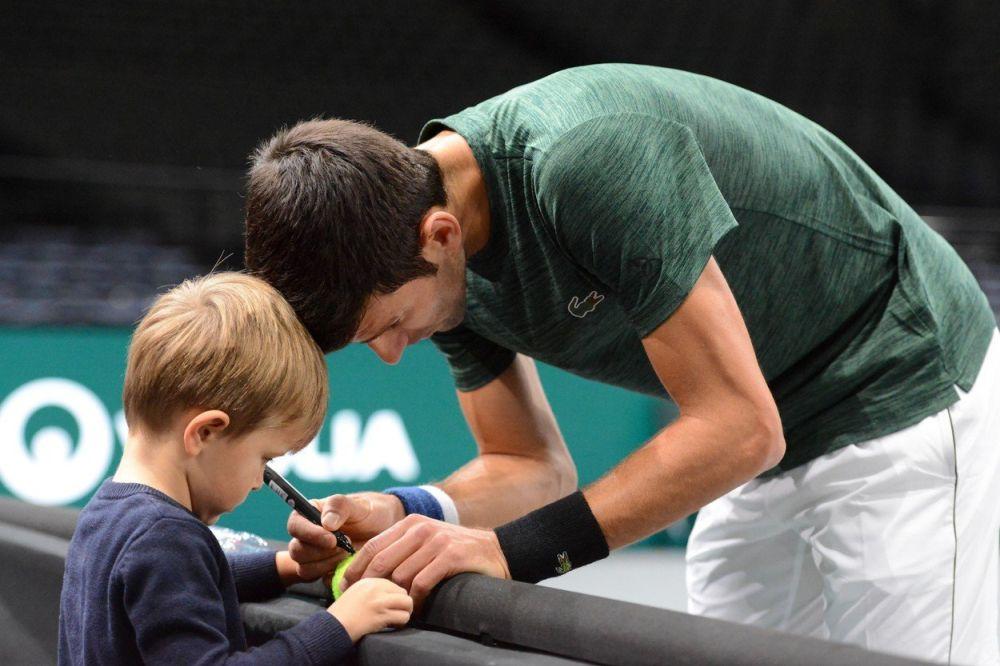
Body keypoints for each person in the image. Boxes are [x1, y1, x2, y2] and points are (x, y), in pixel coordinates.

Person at [243, 65, 999, 663]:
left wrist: (513, 552)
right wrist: (409, 513)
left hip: (900, 386)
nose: (393, 349)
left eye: (390, 325)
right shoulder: (423, 250)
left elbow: (737, 428)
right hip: (772, 428)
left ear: (439, 235)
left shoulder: (587, 158)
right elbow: (528, 464)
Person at [57, 272, 413, 665]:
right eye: (265, 459)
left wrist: (288, 567)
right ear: (206, 433)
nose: (261, 483)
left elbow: (182, 587)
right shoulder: (166, 538)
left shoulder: (107, 515)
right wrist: (342, 623)